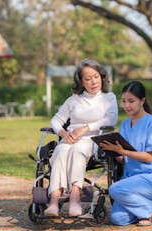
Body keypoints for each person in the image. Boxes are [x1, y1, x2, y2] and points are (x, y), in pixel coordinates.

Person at [44, 59, 118, 217]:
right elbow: (55, 120)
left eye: (96, 76)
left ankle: (75, 199)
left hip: (93, 141)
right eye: (88, 78)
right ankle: (54, 202)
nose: (93, 81)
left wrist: (85, 128)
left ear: (101, 76)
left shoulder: (108, 97)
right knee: (59, 152)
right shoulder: (73, 100)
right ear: (81, 82)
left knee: (77, 150)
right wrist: (62, 133)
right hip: (69, 139)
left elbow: (110, 120)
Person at [100, 81, 152, 226]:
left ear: (142, 101)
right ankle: (146, 206)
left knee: (114, 189)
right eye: (124, 101)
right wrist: (111, 150)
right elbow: (123, 159)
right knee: (118, 218)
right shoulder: (125, 125)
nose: (127, 105)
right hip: (131, 179)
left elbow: (149, 157)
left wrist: (122, 151)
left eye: (131, 101)